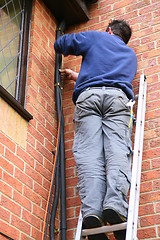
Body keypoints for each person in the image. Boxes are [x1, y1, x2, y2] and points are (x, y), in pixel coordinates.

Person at [54, 20, 137, 240]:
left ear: (109, 30)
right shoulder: (130, 56)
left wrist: (64, 43)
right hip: (118, 101)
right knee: (117, 151)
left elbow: (62, 43)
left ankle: (92, 212)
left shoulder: (97, 37)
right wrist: (77, 76)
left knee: (89, 156)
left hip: (88, 99)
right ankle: (116, 206)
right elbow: (108, 79)